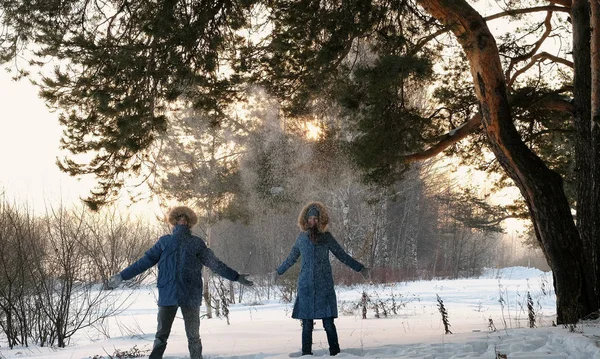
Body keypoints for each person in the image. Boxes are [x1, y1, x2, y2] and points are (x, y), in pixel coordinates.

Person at [107, 205, 253, 359]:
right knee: (161, 336)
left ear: (190, 222)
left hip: (190, 294)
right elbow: (144, 262)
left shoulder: (197, 243)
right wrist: (122, 276)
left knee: (193, 336)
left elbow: (215, 264)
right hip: (167, 293)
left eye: (185, 219)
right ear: (173, 221)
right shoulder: (164, 242)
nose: (182, 221)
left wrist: (236, 277)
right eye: (179, 218)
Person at [272, 202, 370, 356]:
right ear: (305, 220)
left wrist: (360, 268)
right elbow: (291, 258)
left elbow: (342, 255)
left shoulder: (326, 238)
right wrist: (278, 272)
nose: (313, 222)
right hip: (306, 287)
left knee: (329, 323)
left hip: (324, 286)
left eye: (316, 219)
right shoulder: (301, 239)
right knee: (307, 325)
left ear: (321, 220)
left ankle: (336, 353)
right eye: (310, 219)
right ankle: (306, 354)